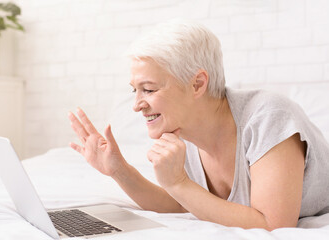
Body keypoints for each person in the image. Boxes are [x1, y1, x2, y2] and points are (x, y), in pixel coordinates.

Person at [67, 20, 329, 230]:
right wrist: (118, 170)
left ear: (197, 84)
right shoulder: (184, 131)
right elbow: (184, 204)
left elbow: (272, 224)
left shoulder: (268, 116)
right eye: (135, 90)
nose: (136, 105)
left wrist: (180, 182)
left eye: (148, 89)